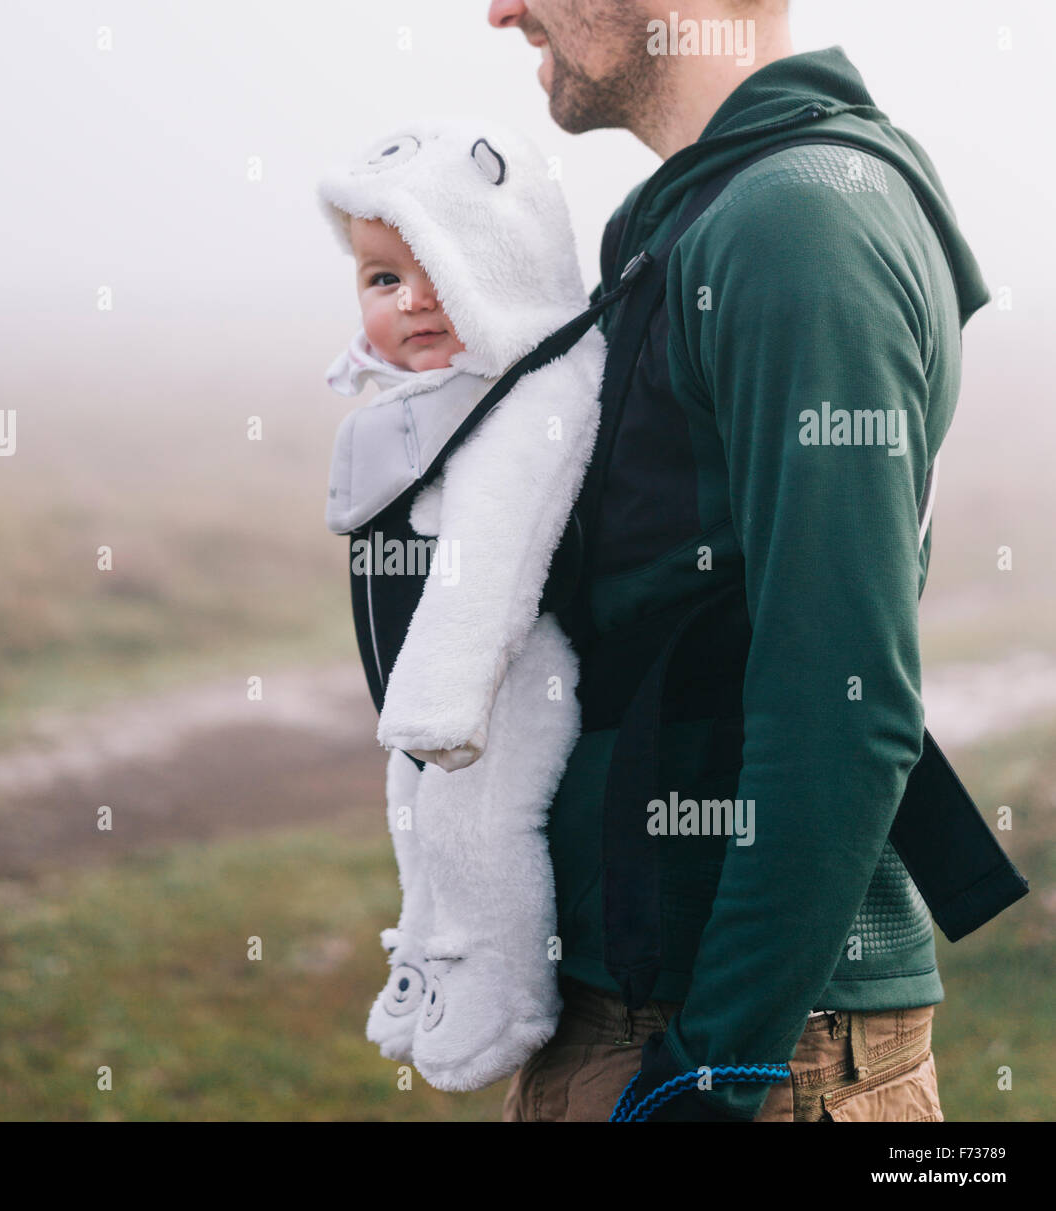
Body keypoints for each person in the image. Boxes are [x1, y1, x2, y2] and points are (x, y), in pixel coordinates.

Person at [487, 0, 993, 1121]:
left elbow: (845, 695)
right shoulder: (701, 215)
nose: (499, 10)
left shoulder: (794, 218)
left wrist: (722, 1064)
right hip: (642, 1000)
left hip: (745, 1042)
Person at [316, 118, 608, 1090]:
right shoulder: (435, 392)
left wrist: (441, 699)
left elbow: (495, 549)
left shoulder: (535, 390)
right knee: (413, 808)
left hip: (515, 668)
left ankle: (500, 981)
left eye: (440, 267)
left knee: (476, 820)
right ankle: (428, 959)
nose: (415, 301)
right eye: (383, 280)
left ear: (506, 260)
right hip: (442, 673)